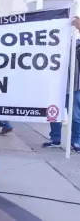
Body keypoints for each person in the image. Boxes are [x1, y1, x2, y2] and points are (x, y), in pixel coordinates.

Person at [42, 17, 80, 153]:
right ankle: (55, 139)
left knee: (75, 116)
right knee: (54, 113)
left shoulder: (75, 44)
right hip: (56, 87)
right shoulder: (51, 46)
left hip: (74, 87)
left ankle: (76, 142)